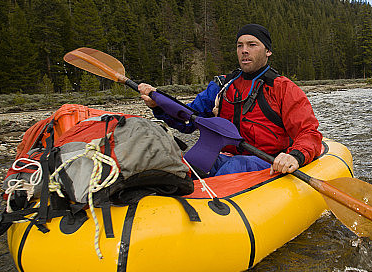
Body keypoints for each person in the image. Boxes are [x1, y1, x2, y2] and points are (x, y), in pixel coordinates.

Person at [138, 24, 322, 176]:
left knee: (234, 168)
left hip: (267, 160)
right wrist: (159, 104)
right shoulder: (222, 86)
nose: (244, 51)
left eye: (252, 45)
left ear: (268, 51)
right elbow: (188, 121)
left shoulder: (284, 89)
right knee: (181, 166)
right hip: (224, 157)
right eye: (240, 46)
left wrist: (295, 156)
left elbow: (309, 133)